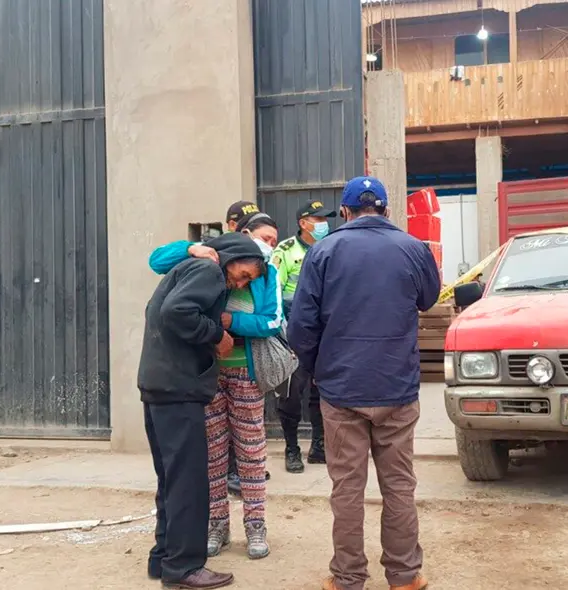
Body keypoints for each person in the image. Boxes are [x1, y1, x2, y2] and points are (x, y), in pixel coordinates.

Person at [287, 177, 441, 590]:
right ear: (387, 211)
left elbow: (300, 326)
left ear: (345, 212)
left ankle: (349, 578)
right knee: (399, 486)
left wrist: (317, 368)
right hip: (397, 386)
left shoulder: (322, 251)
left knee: (348, 490)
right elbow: (429, 299)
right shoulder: (414, 249)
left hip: (342, 391)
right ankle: (405, 576)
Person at [149, 213, 283, 560]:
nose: (267, 245)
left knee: (252, 455)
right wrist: (193, 247)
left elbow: (272, 321)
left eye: (272, 240)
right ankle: (216, 526)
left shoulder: (266, 273)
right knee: (212, 456)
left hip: (245, 374)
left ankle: (255, 526)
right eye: (262, 238)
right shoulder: (209, 261)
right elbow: (156, 261)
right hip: (205, 374)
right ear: (242, 236)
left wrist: (230, 322)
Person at [272, 200, 337, 473]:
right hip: (293, 331)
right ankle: (291, 448)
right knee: (291, 393)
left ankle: (319, 447)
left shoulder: (332, 247)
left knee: (321, 389)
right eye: (318, 219)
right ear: (303, 223)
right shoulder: (285, 251)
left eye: (325, 219)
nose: (323, 224)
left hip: (324, 332)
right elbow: (274, 292)